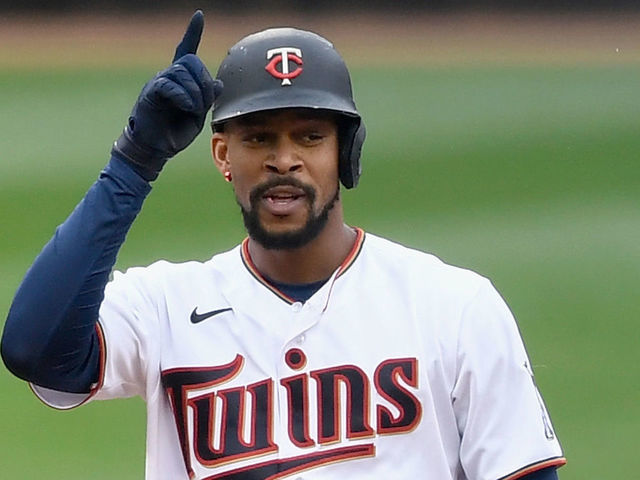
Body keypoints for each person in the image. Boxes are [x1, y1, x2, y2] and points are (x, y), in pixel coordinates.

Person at [1, 11, 566, 480]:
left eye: (310, 136)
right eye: (259, 138)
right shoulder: (165, 306)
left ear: (346, 152)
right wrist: (132, 164)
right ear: (223, 155)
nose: (284, 159)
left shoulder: (454, 306)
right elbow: (34, 349)